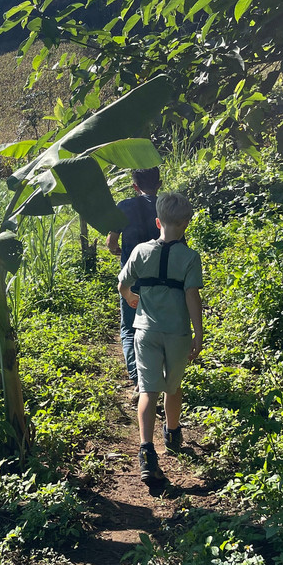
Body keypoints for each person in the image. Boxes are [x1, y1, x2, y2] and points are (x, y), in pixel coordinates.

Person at [117, 192, 203, 484]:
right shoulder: (190, 257)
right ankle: (173, 432)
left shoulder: (141, 251)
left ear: (157, 222)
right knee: (173, 386)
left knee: (147, 389)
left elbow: (123, 284)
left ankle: (145, 450)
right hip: (177, 333)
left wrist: (131, 298)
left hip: (145, 332)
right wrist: (198, 333)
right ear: (186, 224)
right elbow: (192, 295)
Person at [107, 168, 162, 395]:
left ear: (134, 186)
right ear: (159, 184)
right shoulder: (166, 206)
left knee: (129, 329)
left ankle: (139, 378)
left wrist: (119, 250)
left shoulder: (125, 206)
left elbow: (111, 243)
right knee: (155, 327)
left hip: (132, 277)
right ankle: (157, 374)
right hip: (162, 278)